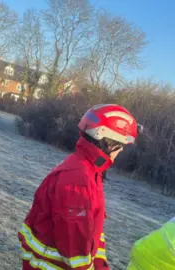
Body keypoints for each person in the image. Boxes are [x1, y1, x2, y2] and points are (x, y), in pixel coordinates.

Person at [18, 104, 140, 270]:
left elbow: (93, 230)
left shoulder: (91, 170)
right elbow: (75, 247)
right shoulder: (78, 179)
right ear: (108, 142)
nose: (120, 152)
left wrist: (101, 266)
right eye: (121, 145)